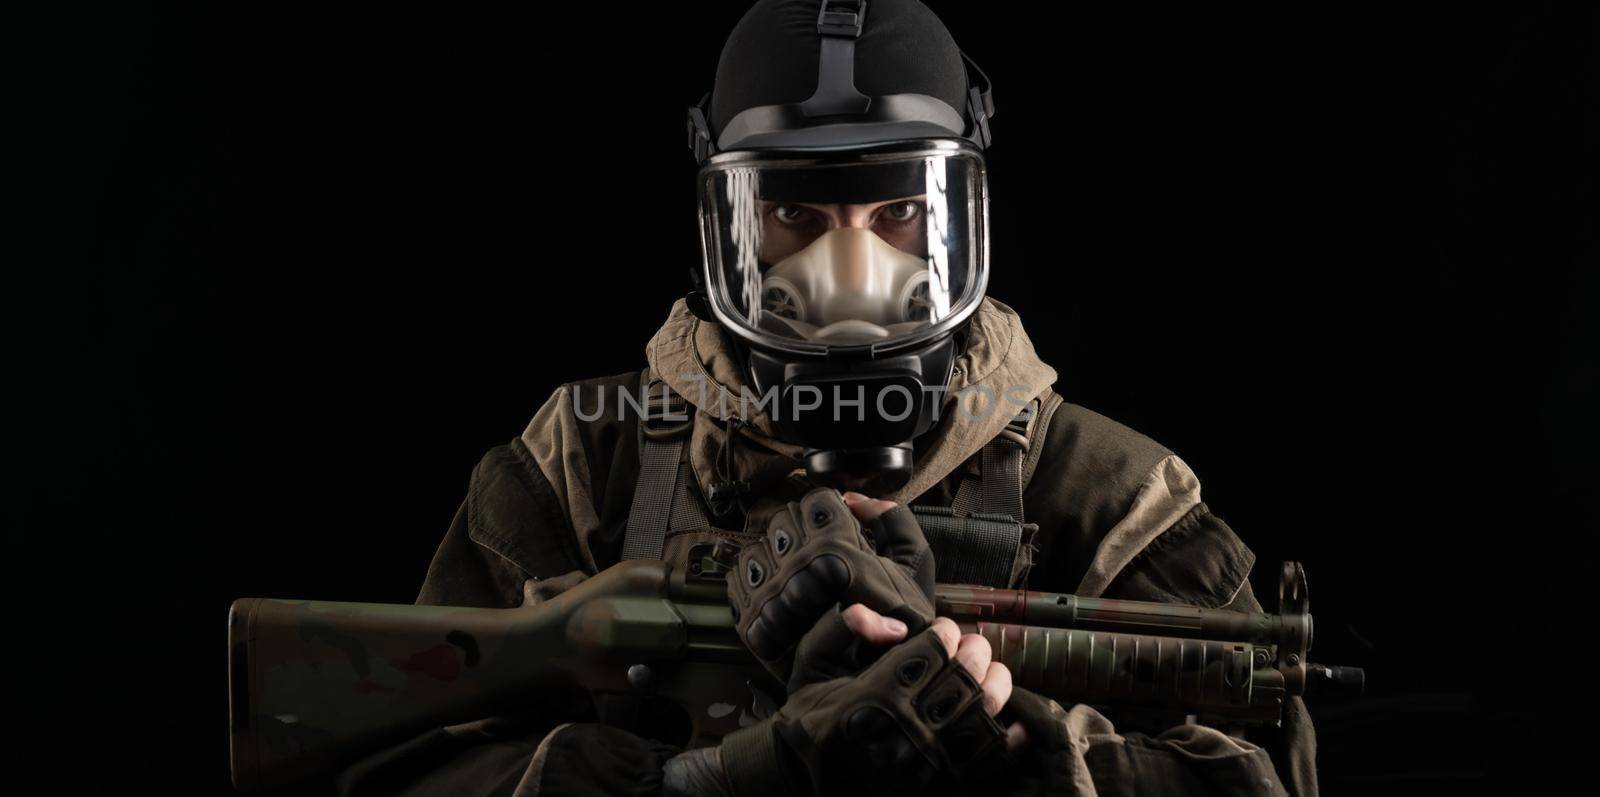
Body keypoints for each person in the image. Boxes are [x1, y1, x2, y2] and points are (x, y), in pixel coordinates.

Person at [335, 2, 1317, 795]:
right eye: (793, 214)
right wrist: (705, 778)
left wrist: (1017, 754)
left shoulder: (1114, 494)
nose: (850, 275)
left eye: (897, 213)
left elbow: (1264, 773)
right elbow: (400, 757)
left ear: (958, 215)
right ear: (727, 223)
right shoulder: (584, 466)